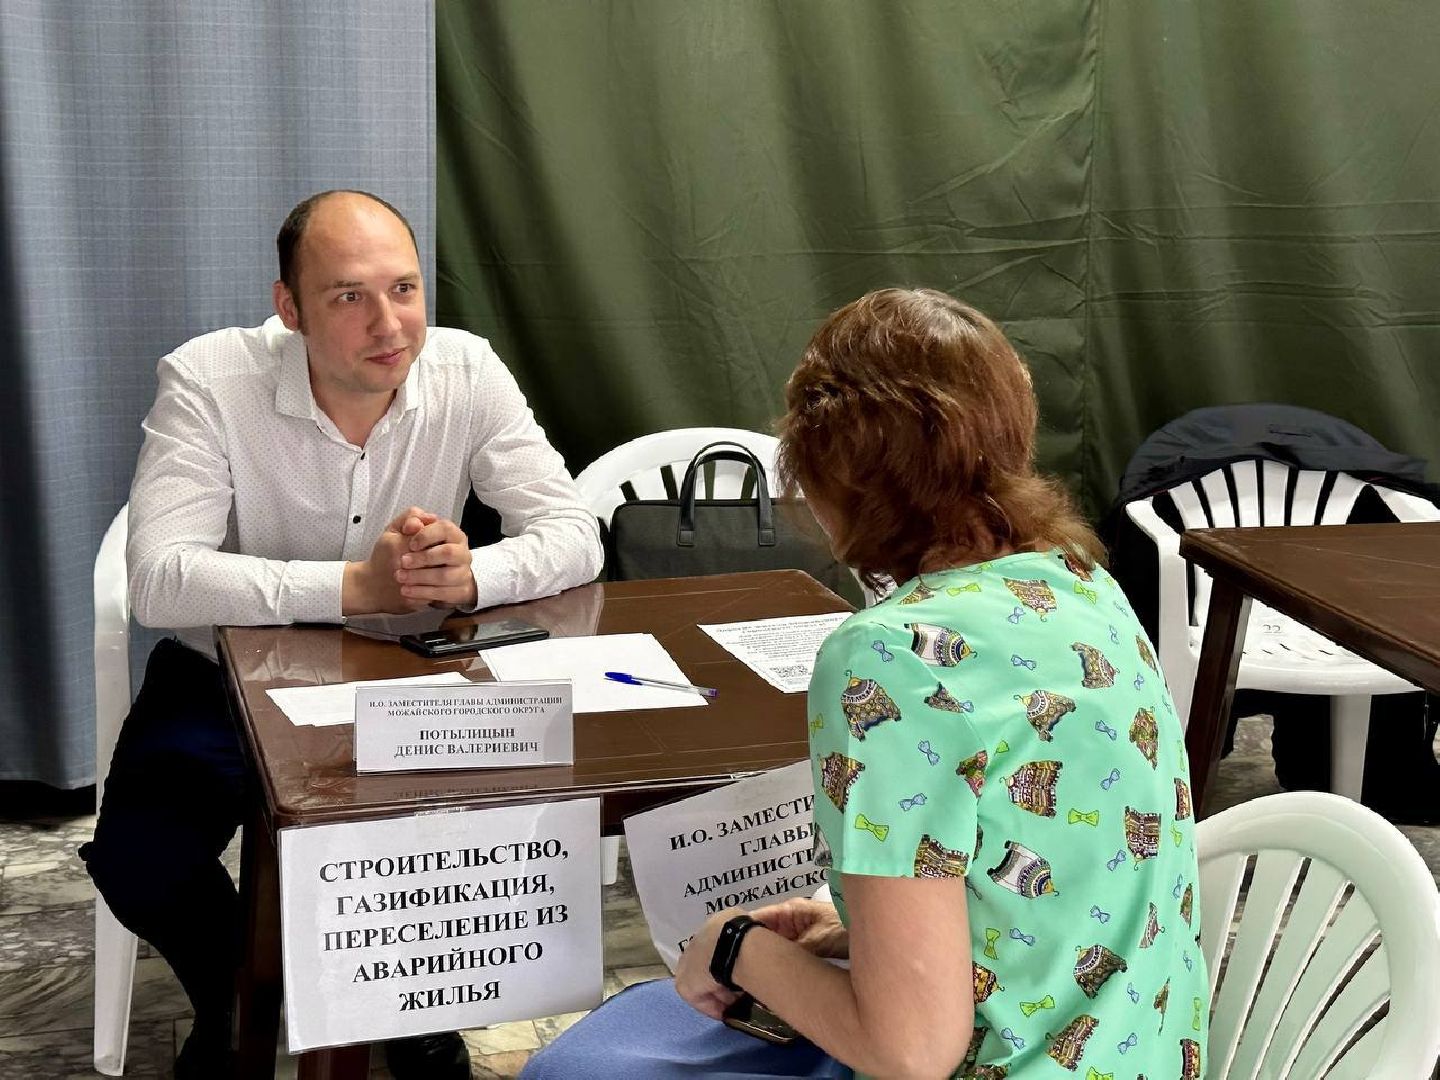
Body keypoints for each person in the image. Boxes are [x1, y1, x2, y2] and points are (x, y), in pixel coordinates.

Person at [522, 288, 1209, 1079]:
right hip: (1148, 1053)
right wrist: (854, 930)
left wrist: (734, 947)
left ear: (828, 475)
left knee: (571, 1068)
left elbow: (909, 1052)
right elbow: (1048, 889)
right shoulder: (1082, 585)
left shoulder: (887, 656)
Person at [80, 189, 603, 1079]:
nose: (389, 324)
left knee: (443, 843)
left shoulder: (468, 370)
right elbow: (161, 577)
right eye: (348, 296)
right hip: (227, 676)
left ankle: (407, 1003)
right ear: (290, 308)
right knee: (138, 856)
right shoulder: (210, 378)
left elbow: (574, 532)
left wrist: (476, 572)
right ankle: (242, 991)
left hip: (403, 673)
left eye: (404, 289)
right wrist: (351, 585)